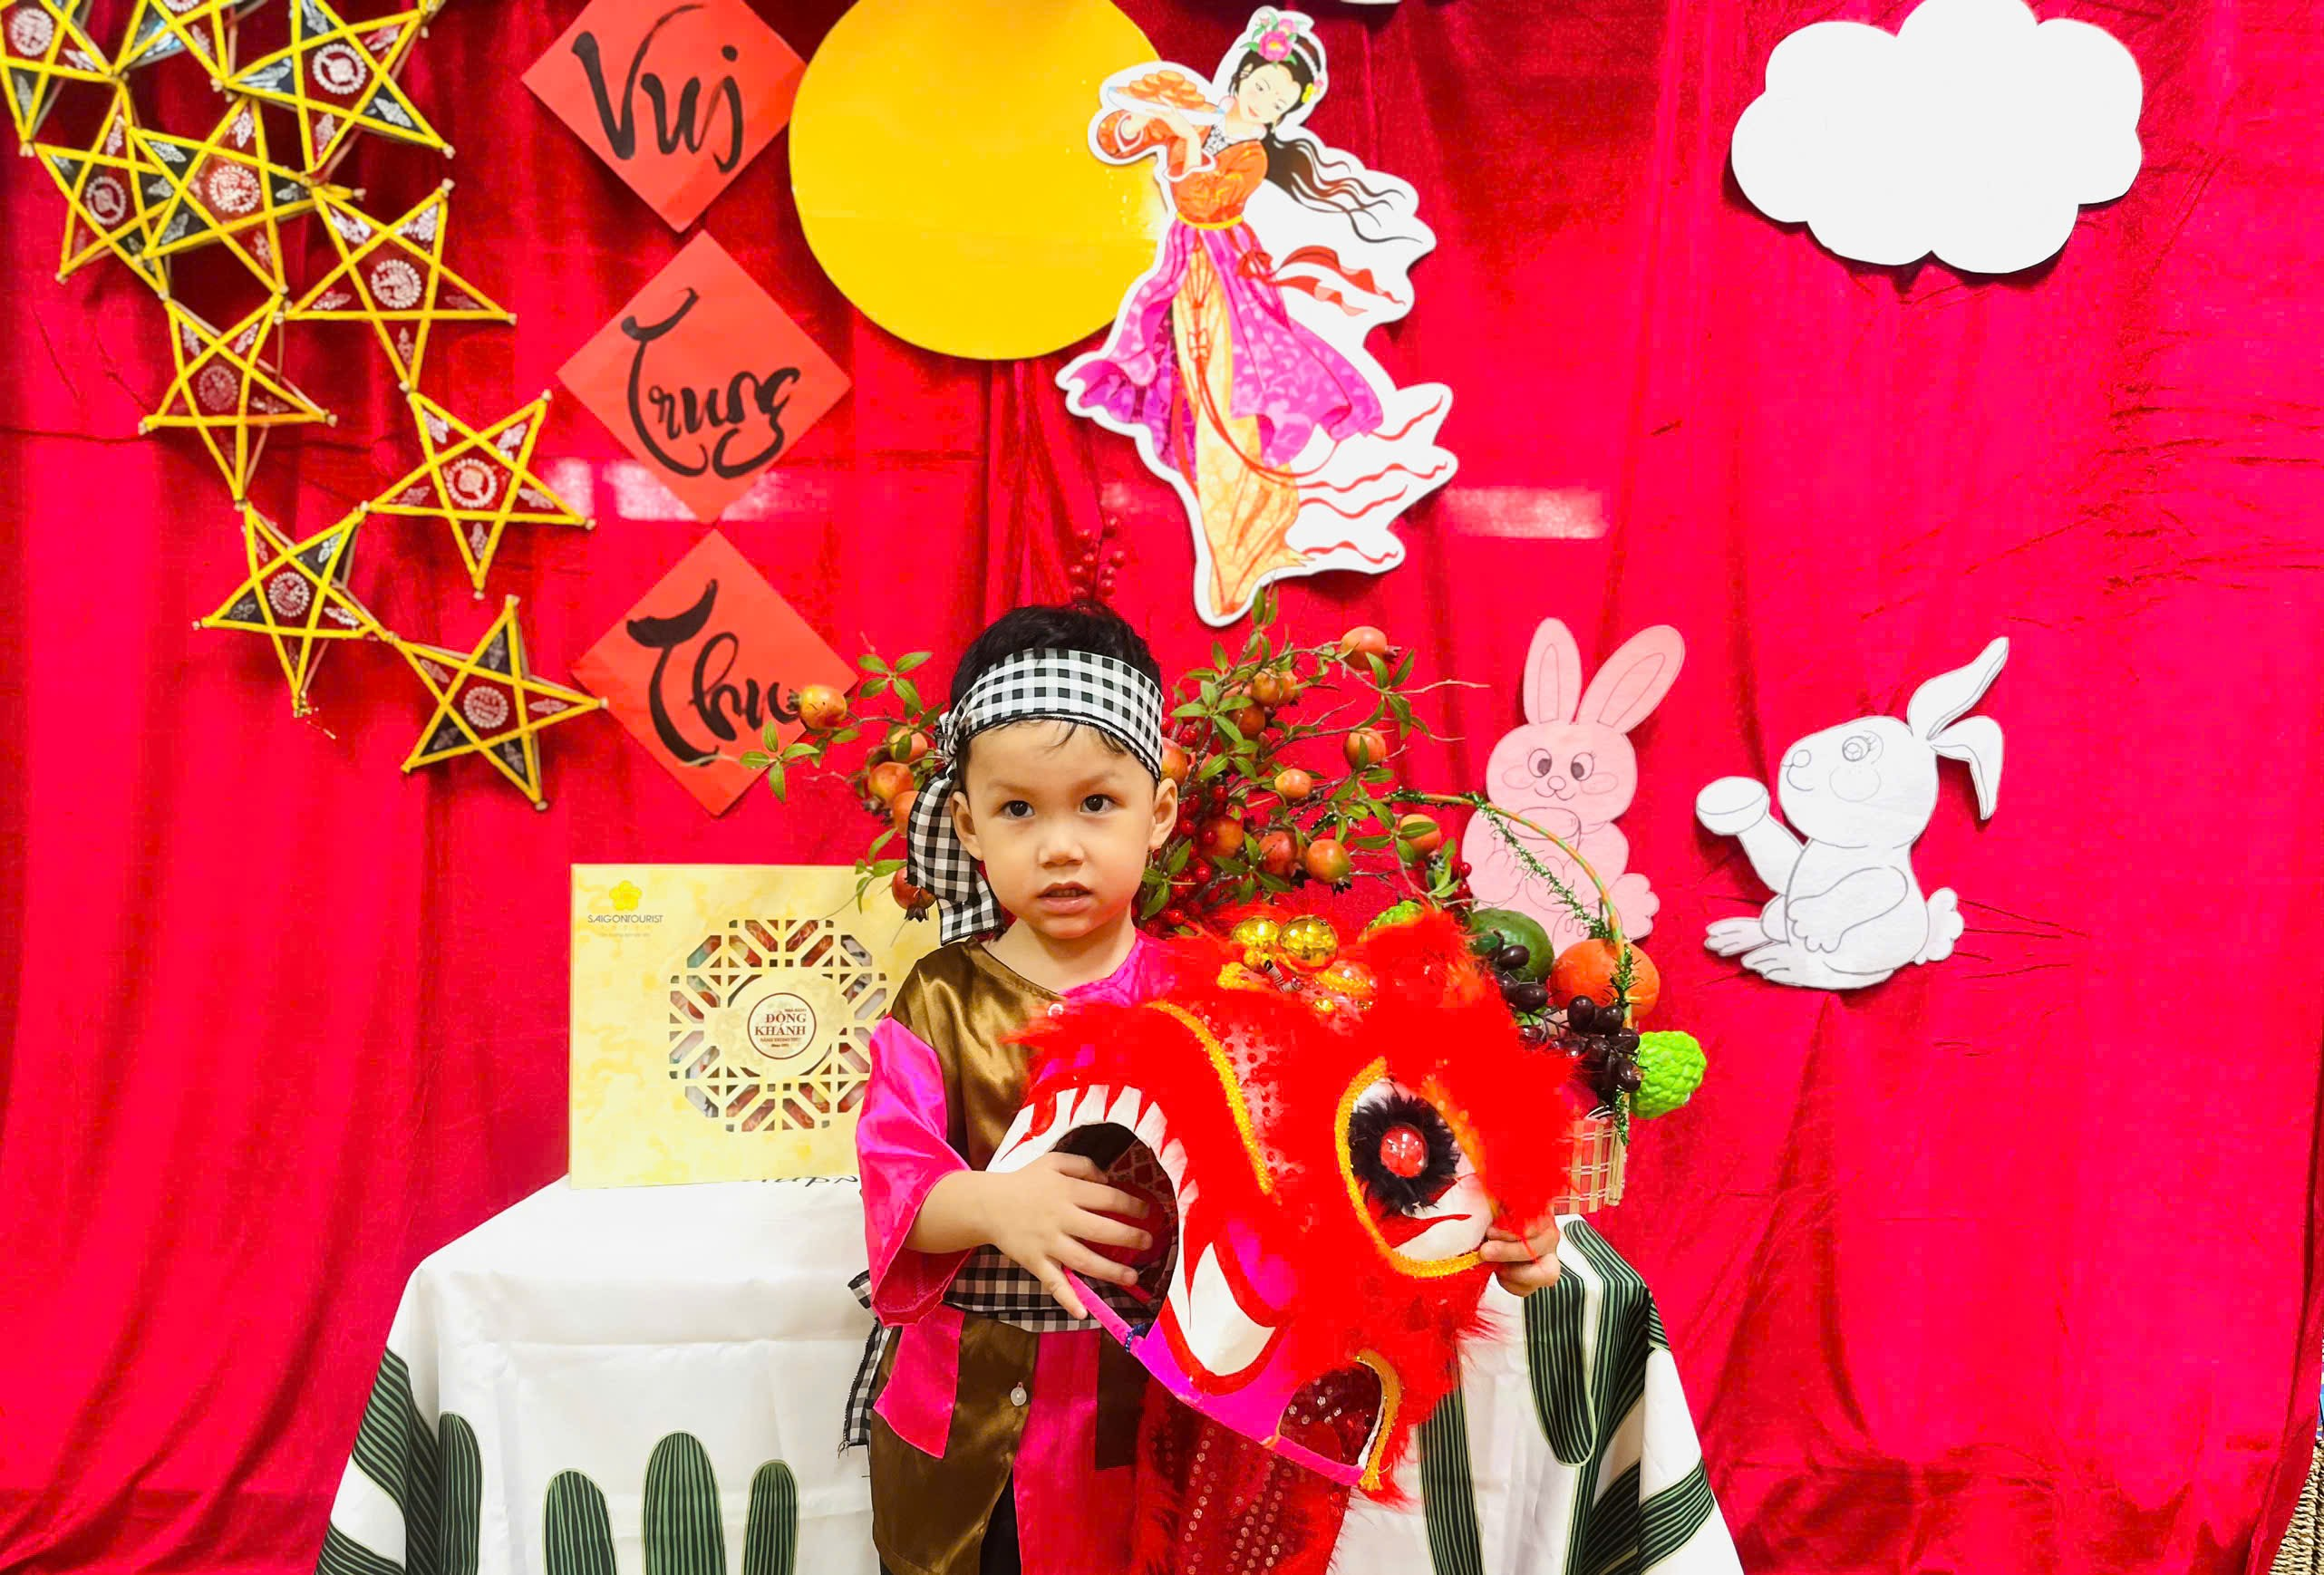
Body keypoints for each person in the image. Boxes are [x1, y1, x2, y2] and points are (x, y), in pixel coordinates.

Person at [845, 600, 1564, 1575]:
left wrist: (1488, 1233)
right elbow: (892, 1183)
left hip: (1137, 1425)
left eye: (1096, 803)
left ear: (1159, 814)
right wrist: (991, 1203)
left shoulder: (1213, 999)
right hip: (960, 1416)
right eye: (1018, 810)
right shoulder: (940, 998)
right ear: (967, 823)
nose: (1059, 845)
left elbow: (1327, 1184)